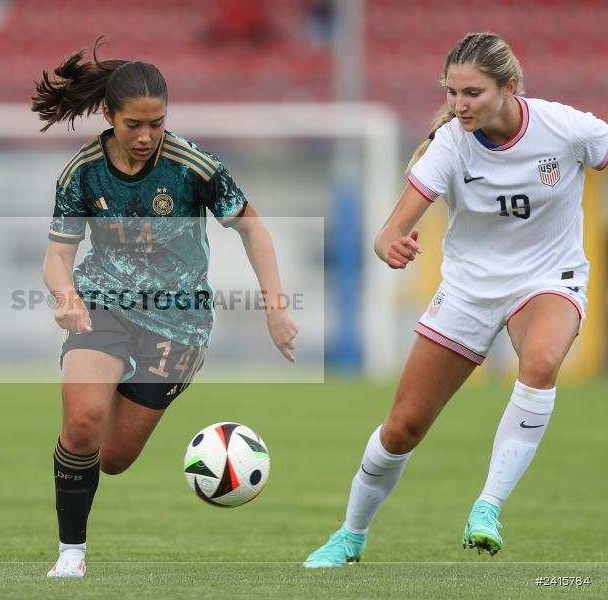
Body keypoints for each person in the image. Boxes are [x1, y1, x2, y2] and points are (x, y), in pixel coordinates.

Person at [303, 32, 608, 567]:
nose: (460, 105)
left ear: (510, 87)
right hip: (469, 290)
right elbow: (388, 230)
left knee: (539, 363)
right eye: (452, 93)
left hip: (548, 279)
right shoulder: (451, 145)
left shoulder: (566, 127)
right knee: (402, 428)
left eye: (473, 93)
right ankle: (350, 535)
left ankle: (487, 508)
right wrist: (390, 245)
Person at [32, 38, 300, 578]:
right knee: (82, 421)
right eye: (134, 124)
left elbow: (252, 228)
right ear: (109, 116)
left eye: (157, 123)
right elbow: (57, 258)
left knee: (113, 457)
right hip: (104, 304)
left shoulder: (192, 166)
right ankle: (71, 553)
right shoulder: (82, 172)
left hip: (180, 323)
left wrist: (275, 306)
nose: (147, 136)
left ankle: (86, 481)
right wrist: (67, 300)